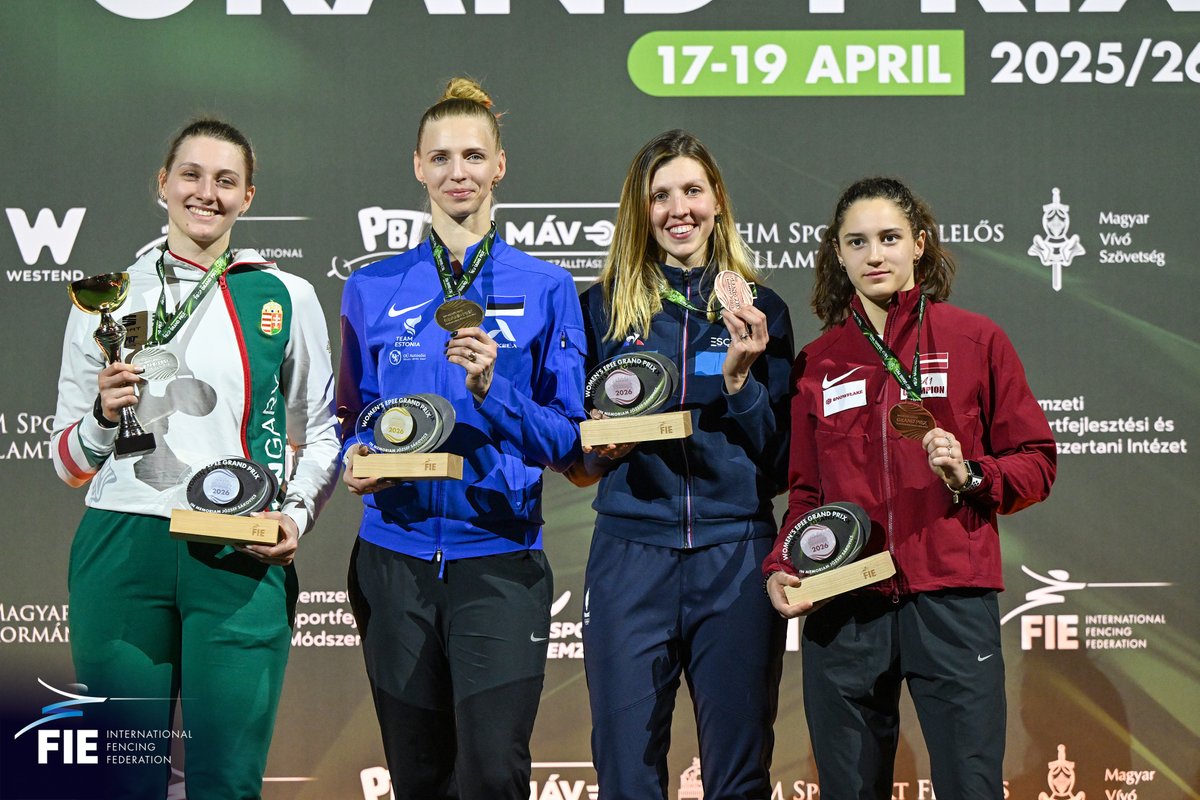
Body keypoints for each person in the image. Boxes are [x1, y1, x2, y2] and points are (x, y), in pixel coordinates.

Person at [50, 118, 340, 799]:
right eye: (191, 174)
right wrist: (102, 418)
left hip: (237, 551)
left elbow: (321, 432)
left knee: (226, 785)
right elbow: (67, 462)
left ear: (247, 197)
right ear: (163, 182)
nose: (206, 193)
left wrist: (295, 514)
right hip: (122, 548)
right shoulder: (107, 297)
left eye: (225, 180)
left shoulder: (286, 295)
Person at [763, 177, 1056, 799]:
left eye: (890, 238)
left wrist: (972, 475)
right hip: (845, 604)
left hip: (952, 598)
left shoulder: (976, 340)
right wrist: (783, 564)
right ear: (837, 253)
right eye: (857, 242)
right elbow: (807, 495)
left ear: (919, 244)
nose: (875, 255)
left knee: (970, 786)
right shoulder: (818, 362)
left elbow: (1036, 462)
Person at [338, 77, 587, 800]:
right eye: (441, 157)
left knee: (492, 776)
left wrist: (491, 390)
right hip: (394, 559)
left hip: (500, 560)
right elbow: (350, 415)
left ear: (499, 165)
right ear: (417, 166)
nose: (458, 173)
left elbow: (570, 442)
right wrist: (356, 457)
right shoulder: (371, 286)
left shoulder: (546, 286)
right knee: (418, 778)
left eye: (474, 156)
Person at [566, 129, 793, 799]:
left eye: (692, 191)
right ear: (641, 211)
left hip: (735, 555)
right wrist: (600, 445)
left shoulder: (763, 310)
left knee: (739, 776)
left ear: (717, 199)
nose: (678, 210)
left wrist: (740, 383)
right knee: (626, 773)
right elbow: (577, 454)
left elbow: (782, 462)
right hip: (631, 557)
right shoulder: (602, 308)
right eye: (660, 196)